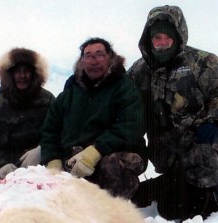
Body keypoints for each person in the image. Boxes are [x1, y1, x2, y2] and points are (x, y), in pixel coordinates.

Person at [127, 5, 218, 221]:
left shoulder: (203, 62)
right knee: (173, 187)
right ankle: (172, 181)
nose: (161, 43)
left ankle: (208, 193)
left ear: (178, 36)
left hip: (204, 135)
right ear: (148, 38)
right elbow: (121, 96)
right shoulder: (139, 70)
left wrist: (215, 121)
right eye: (157, 37)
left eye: (167, 37)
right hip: (164, 143)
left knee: (177, 208)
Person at [41, 37, 147, 199]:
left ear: (110, 57)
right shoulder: (69, 93)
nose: (93, 60)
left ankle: (113, 209)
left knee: (111, 164)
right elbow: (50, 129)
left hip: (110, 155)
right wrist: (52, 160)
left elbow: (132, 125)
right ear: (82, 60)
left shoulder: (124, 87)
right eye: (88, 56)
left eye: (99, 55)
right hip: (74, 159)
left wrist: (96, 151)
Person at [0, 48, 55, 186]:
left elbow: (57, 132)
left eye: (27, 71)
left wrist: (42, 149)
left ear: (35, 74)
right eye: (17, 71)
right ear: (9, 74)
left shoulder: (47, 100)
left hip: (39, 168)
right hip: (2, 172)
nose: (23, 75)